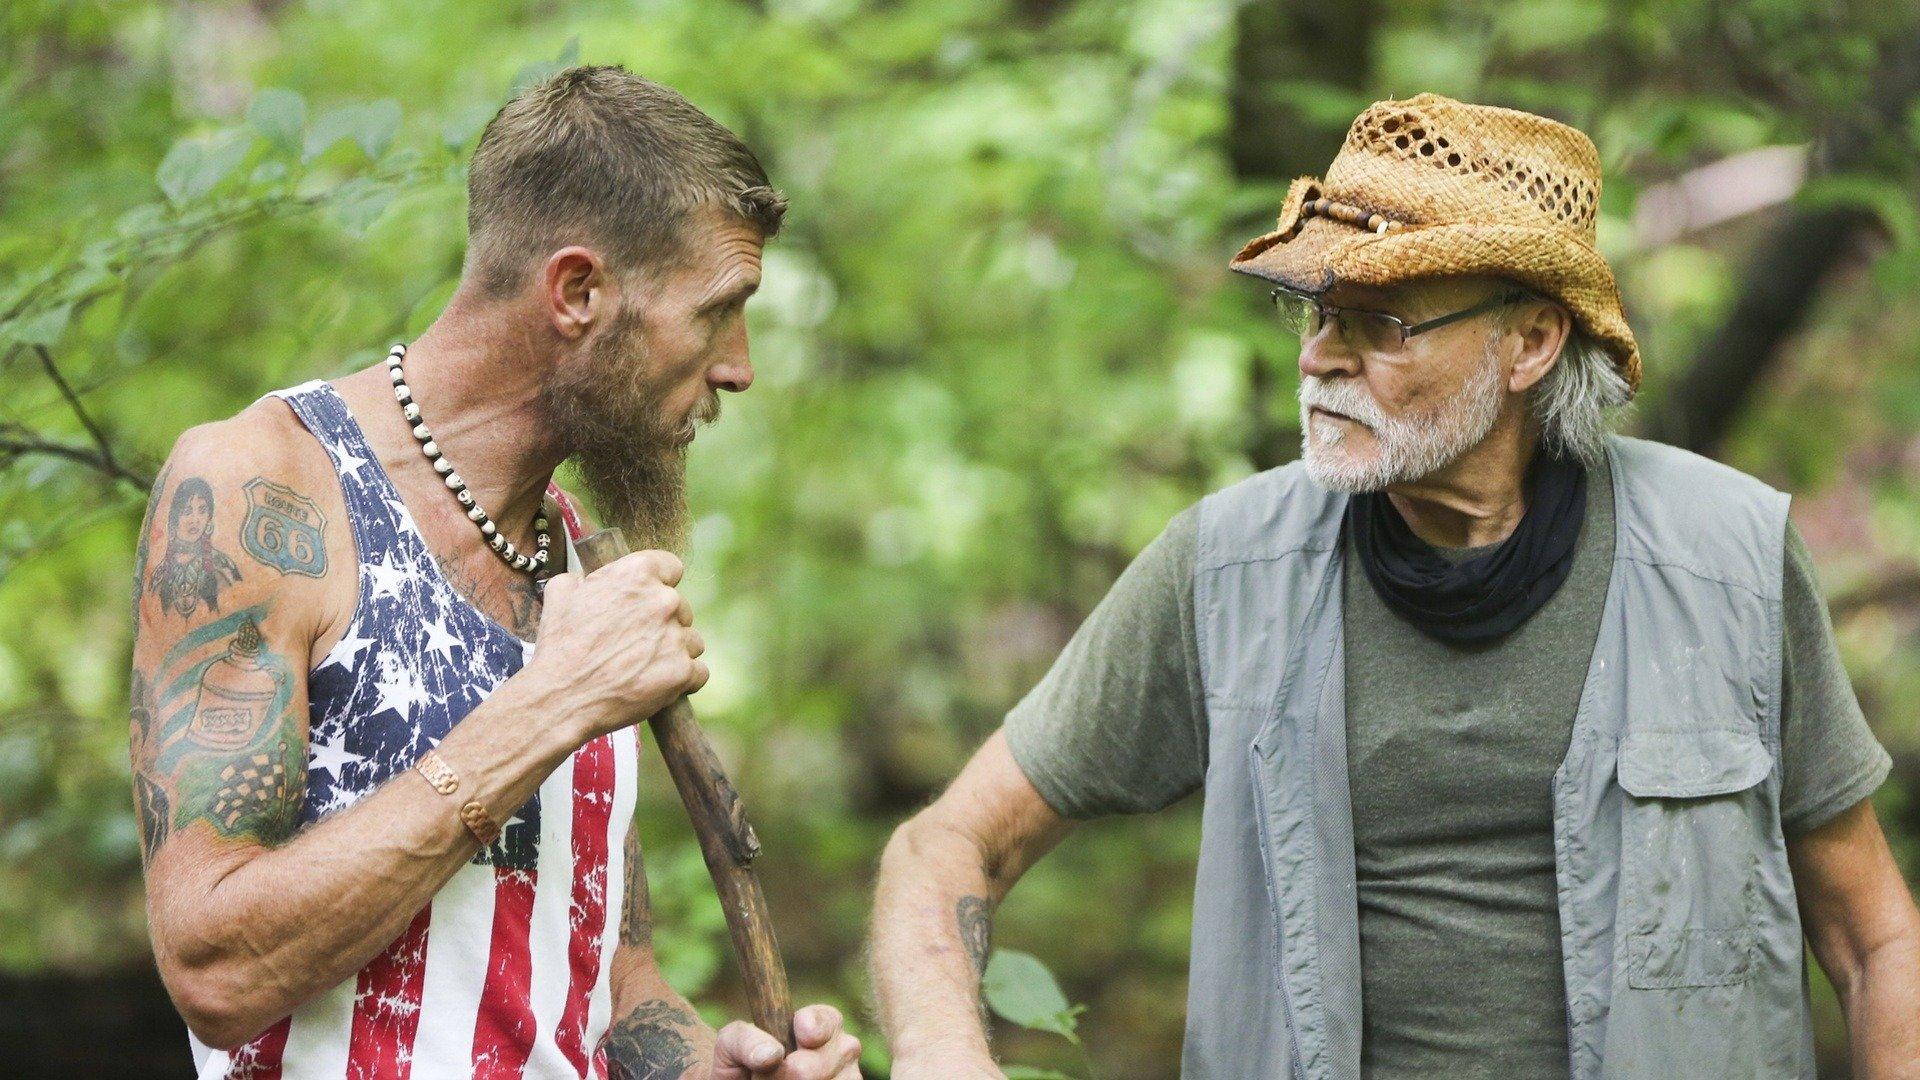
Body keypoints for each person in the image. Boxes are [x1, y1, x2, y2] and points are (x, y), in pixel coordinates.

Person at [869, 94, 1920, 1078]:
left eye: (1381, 322)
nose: (1320, 359)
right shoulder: (1231, 570)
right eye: (1317, 314)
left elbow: (1873, 940)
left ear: (1531, 341)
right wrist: (941, 1051)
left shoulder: (1725, 560)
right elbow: (947, 843)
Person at [131, 65, 862, 1080]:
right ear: (578, 292)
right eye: (716, 311)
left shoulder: (580, 562)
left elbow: (610, 980)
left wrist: (714, 1071)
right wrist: (553, 701)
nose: (738, 365)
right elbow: (214, 970)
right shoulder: (269, 488)